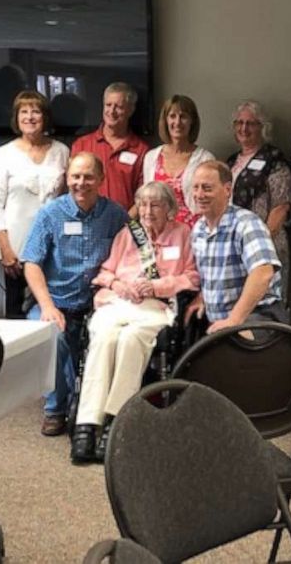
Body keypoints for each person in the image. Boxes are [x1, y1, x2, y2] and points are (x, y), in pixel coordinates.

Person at [70, 182, 199, 464]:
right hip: (119, 301)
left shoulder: (182, 234)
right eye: (142, 205)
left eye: (155, 205)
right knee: (104, 337)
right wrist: (118, 283)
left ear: (170, 209)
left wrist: (158, 286)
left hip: (155, 306)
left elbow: (191, 277)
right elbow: (104, 272)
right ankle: (87, 424)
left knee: (130, 340)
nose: (147, 211)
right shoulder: (128, 234)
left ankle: (115, 422)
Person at [22, 152, 128, 437]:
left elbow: (132, 256)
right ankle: (55, 409)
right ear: (67, 178)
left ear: (101, 180)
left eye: (88, 176)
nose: (81, 183)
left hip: (97, 303)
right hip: (55, 301)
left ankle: (99, 410)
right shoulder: (50, 214)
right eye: (75, 176)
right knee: (53, 337)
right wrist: (47, 306)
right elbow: (31, 262)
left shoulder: (116, 215)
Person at [0, 91, 69, 318]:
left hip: (53, 246)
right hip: (16, 245)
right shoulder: (2, 154)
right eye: (24, 111)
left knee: (51, 306)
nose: (30, 117)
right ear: (16, 117)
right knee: (16, 308)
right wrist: (5, 248)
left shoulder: (62, 152)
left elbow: (65, 199)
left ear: (45, 117)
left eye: (36, 111)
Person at [186, 161, 287, 331]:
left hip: (258, 317)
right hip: (222, 324)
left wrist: (234, 321)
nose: (199, 194)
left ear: (227, 190)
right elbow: (212, 277)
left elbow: (263, 273)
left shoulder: (247, 224)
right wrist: (202, 297)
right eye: (195, 188)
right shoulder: (199, 230)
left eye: (207, 188)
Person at [226, 100, 291, 298]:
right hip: (236, 246)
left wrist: (258, 243)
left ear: (262, 127)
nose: (244, 128)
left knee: (267, 304)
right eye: (239, 123)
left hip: (266, 245)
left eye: (251, 123)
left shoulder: (274, 158)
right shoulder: (231, 161)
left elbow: (281, 207)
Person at [71, 82, 149, 211]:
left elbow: (143, 196)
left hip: (125, 224)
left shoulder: (141, 150)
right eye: (108, 105)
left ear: (130, 110)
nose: (112, 111)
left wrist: (125, 222)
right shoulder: (81, 145)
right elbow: (72, 189)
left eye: (119, 107)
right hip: (88, 223)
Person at [142, 95, 215, 227]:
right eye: (172, 116)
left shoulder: (205, 159)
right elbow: (147, 200)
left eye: (183, 116)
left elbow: (212, 203)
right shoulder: (151, 157)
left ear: (192, 121)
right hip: (159, 232)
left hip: (193, 234)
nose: (178, 122)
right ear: (165, 120)